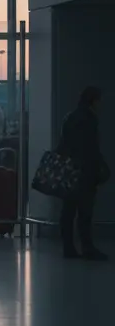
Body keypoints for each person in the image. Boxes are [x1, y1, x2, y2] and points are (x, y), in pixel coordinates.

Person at [57, 85, 109, 261]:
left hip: (70, 169)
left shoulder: (69, 117)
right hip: (86, 171)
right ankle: (87, 247)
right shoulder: (90, 119)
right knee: (85, 212)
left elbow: (63, 145)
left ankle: (68, 247)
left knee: (68, 210)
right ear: (93, 100)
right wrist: (102, 167)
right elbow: (92, 148)